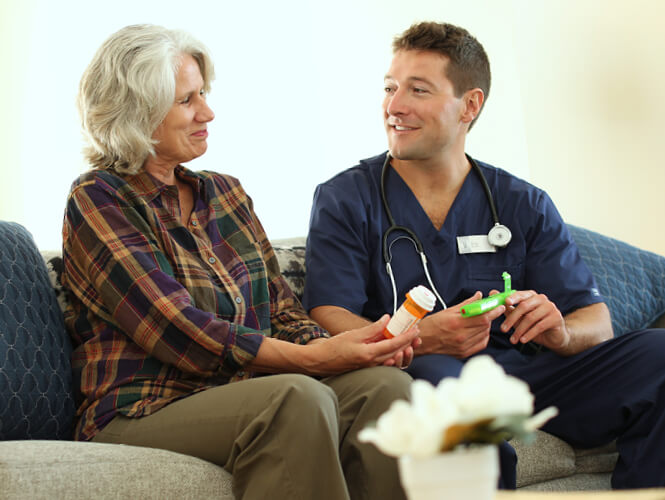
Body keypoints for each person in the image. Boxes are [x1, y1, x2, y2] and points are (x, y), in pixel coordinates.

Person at [62, 24, 419, 500]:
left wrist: (347, 350)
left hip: (243, 388)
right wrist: (310, 360)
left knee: (385, 388)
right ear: (138, 113)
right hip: (141, 408)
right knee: (294, 397)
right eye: (186, 100)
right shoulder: (99, 197)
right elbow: (176, 326)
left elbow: (281, 308)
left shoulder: (226, 193)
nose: (207, 112)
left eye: (203, 94)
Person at [304, 21, 665, 489]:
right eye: (390, 88)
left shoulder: (521, 202)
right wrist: (421, 337)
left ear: (469, 105)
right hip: (425, 370)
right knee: (451, 394)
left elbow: (596, 321)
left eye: (418, 90)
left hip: (530, 372)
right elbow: (329, 312)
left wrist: (559, 331)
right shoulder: (347, 198)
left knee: (660, 354)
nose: (395, 106)